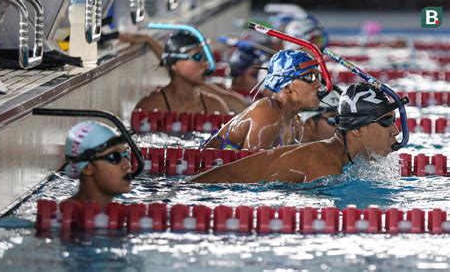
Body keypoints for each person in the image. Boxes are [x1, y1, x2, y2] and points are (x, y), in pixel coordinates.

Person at [190, 82, 402, 183]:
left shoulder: (336, 157)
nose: (395, 131)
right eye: (386, 122)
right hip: (198, 192)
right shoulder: (323, 165)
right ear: (356, 129)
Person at [201, 49, 322, 152]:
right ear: (286, 86)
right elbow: (252, 173)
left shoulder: (296, 122)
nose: (318, 84)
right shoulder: (268, 112)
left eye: (317, 76)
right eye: (309, 76)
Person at [120, 31, 248, 114]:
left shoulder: (215, 107)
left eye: (205, 57)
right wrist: (150, 41)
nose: (206, 64)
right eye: (198, 57)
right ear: (175, 64)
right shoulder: (149, 107)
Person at [63, 121, 134, 210]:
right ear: (87, 168)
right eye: (114, 156)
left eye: (126, 154)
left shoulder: (116, 215)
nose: (127, 165)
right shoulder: (65, 221)